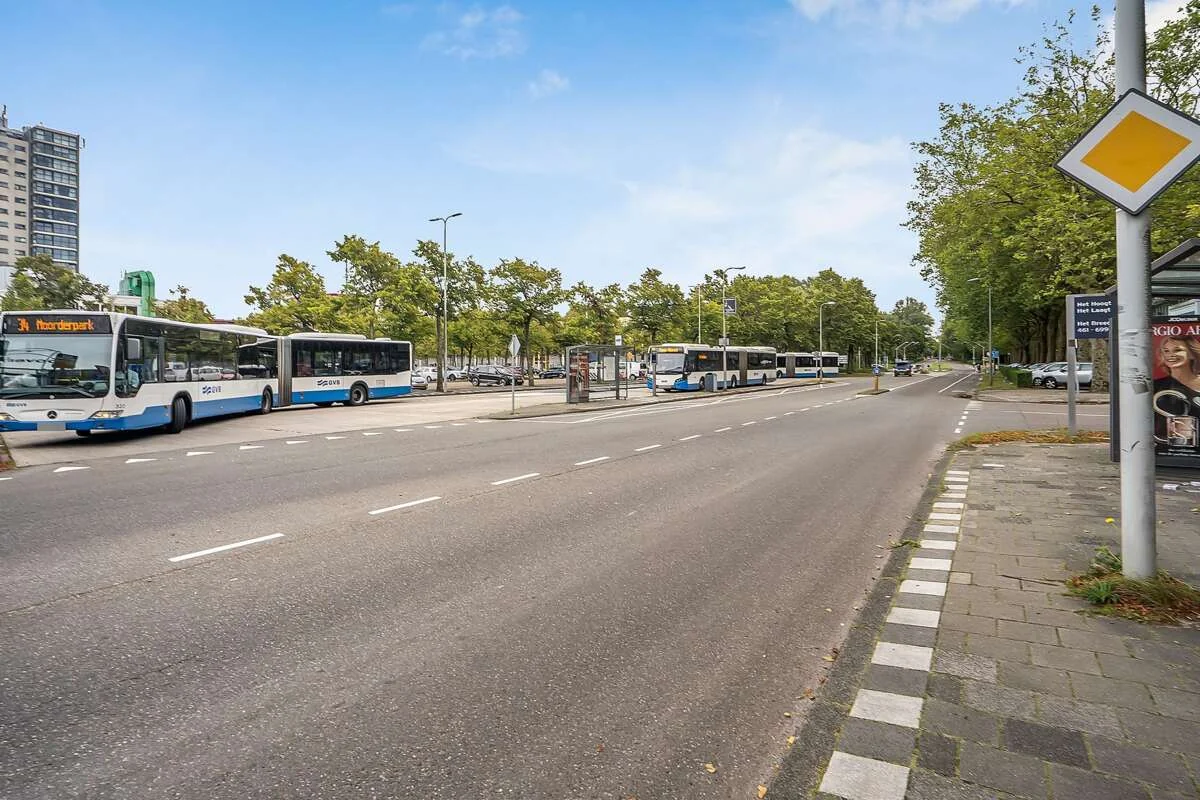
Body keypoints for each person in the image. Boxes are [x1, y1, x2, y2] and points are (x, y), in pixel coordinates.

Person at [1152, 335, 1200, 447]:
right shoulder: (1155, 386)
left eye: (1177, 350)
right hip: (1165, 451)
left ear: (1192, 354)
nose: (1170, 355)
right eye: (1166, 351)